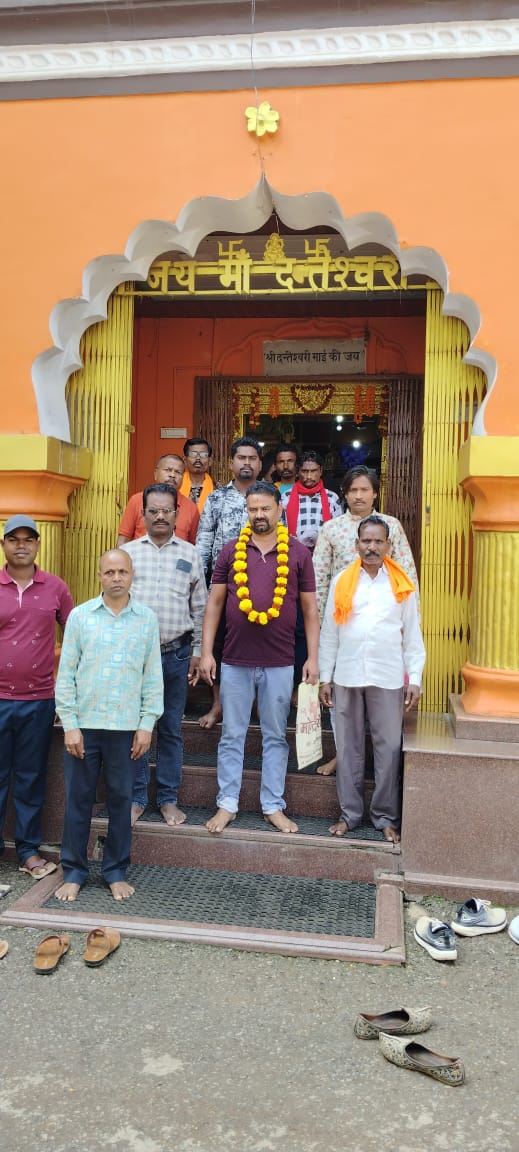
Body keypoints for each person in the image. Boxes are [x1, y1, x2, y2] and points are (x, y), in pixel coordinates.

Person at [199, 481, 320, 834]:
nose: (259, 515)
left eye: (265, 508)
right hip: (235, 660)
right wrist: (206, 652)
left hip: (281, 661)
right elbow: (215, 604)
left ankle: (273, 805)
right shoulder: (230, 551)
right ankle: (227, 803)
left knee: (275, 736)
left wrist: (313, 658)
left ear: (279, 509)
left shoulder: (298, 552)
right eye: (253, 509)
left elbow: (310, 610)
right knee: (231, 735)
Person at [54, 549, 163, 902]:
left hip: (125, 728)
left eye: (122, 572)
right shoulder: (80, 617)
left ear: (132, 575)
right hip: (84, 727)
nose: (116, 578)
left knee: (120, 801)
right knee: (78, 801)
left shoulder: (146, 619)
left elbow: (152, 675)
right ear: (99, 575)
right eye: (110, 572)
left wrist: (146, 724)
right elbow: (66, 674)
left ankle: (115, 871)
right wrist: (70, 724)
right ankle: (73, 872)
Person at [319, 515, 425, 844]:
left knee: (389, 748)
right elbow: (330, 634)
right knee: (348, 748)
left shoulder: (401, 583)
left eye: (379, 541)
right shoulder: (342, 581)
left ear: (389, 545)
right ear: (356, 545)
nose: (372, 547)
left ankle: (385, 817)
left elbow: (412, 636)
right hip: (347, 675)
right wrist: (325, 677)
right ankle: (349, 815)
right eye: (366, 541)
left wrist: (415, 677)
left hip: (388, 676)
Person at [313, 464, 419, 775]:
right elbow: (320, 579)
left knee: (383, 702)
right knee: (341, 702)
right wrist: (320, 628)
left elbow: (407, 575)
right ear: (344, 494)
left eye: (365, 490)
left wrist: (410, 625)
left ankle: (378, 760)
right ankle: (342, 755)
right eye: (353, 490)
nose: (358, 496)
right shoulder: (331, 529)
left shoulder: (391, 526)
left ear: (375, 493)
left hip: (384, 626)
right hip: (343, 626)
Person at [122, 483, 207, 826]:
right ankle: (136, 798)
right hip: (135, 658)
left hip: (176, 655)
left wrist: (198, 651)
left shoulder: (191, 554)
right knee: (136, 727)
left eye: (166, 511)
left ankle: (168, 798)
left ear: (176, 514)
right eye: (153, 510)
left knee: (170, 728)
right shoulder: (128, 554)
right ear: (142, 514)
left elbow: (200, 607)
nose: (160, 516)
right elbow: (115, 605)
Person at [0, 514, 74, 880]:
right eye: (14, 539)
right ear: (4, 545)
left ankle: (28, 851)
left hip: (40, 701)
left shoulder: (55, 587)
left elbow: (75, 637)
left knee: (31, 778)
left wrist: (65, 689)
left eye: (28, 539)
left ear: (38, 545)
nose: (21, 545)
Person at [195, 436, 262, 729]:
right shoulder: (217, 498)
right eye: (241, 458)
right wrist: (201, 579)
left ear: (260, 464)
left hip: (263, 583)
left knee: (260, 640)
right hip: (223, 584)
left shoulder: (269, 498)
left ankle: (258, 702)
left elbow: (281, 536)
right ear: (231, 463)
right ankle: (219, 703)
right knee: (221, 643)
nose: (246, 463)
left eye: (252, 458)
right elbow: (204, 539)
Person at [117, 453, 199, 546]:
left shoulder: (191, 508)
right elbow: (123, 539)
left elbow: (194, 545)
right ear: (155, 473)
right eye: (168, 470)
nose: (172, 475)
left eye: (178, 472)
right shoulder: (136, 500)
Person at [281, 450, 342, 553]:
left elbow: (338, 532)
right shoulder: (286, 497)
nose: (309, 476)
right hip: (293, 554)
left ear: (321, 471)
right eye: (305, 471)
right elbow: (280, 530)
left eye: (313, 471)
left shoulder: (332, 498)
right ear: (298, 471)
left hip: (324, 556)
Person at [180, 438, 214, 513]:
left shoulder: (218, 489)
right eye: (193, 454)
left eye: (203, 455)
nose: (198, 458)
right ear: (185, 460)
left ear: (210, 461)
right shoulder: (176, 486)